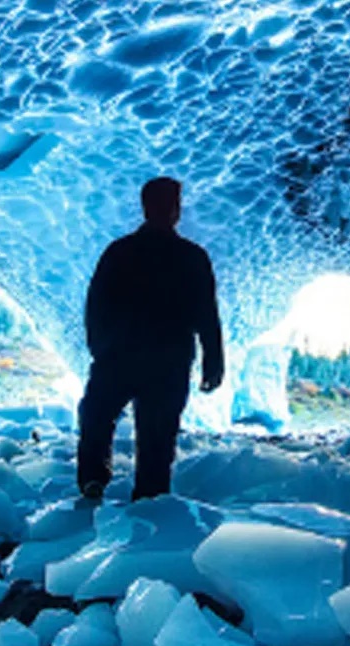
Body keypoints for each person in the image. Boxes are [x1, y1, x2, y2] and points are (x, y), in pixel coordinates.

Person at [77, 177, 224, 501]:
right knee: (142, 431)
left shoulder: (123, 251)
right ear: (169, 211)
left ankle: (107, 484)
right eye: (167, 204)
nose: (169, 210)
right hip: (155, 360)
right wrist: (212, 359)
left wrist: (214, 359)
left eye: (170, 204)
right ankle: (121, 490)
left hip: (134, 358)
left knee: (107, 420)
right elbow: (206, 314)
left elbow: (96, 304)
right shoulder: (188, 255)